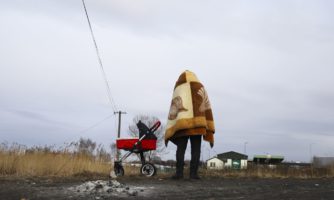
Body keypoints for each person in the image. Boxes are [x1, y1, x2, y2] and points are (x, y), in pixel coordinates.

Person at [165, 70, 215, 179]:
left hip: (182, 123)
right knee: (196, 149)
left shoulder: (179, 87)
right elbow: (207, 107)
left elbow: (174, 106)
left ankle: (179, 174)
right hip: (198, 124)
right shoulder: (200, 86)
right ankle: (194, 174)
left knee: (181, 149)